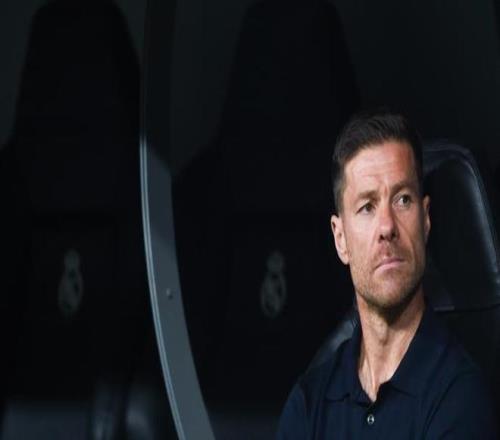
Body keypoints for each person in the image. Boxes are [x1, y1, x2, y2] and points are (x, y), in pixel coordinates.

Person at [276, 110, 498, 439]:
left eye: (402, 200)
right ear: (341, 239)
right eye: (367, 206)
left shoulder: (460, 397)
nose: (387, 227)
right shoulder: (309, 401)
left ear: (425, 220)